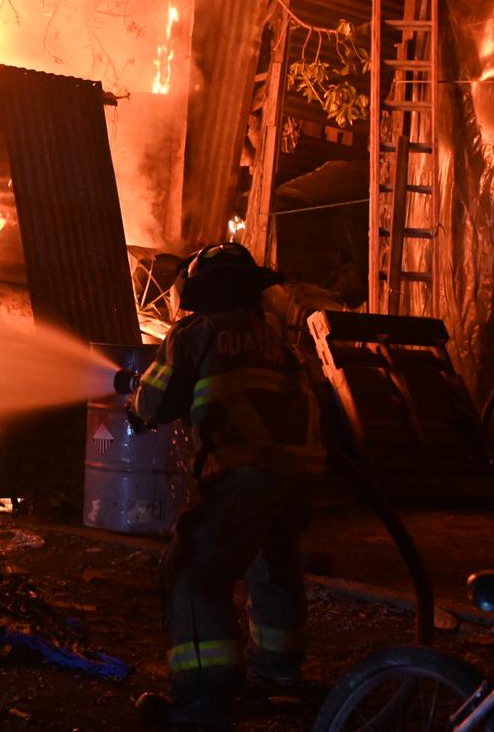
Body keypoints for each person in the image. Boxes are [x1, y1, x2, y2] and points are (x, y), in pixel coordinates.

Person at [127, 242, 323, 730]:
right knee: (274, 564)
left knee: (192, 571)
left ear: (199, 292)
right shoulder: (278, 339)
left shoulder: (196, 332)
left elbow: (155, 403)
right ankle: (280, 676)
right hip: (302, 474)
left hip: (244, 472)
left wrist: (134, 403)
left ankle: (203, 699)